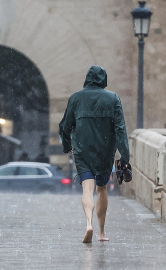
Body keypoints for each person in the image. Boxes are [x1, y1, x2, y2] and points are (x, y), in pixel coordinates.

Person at [59, 65, 130, 244]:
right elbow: (120, 129)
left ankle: (88, 224)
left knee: (87, 189)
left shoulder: (76, 98)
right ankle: (101, 232)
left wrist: (67, 145)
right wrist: (125, 156)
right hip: (105, 151)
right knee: (102, 188)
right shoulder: (113, 98)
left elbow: (65, 126)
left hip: (83, 149)